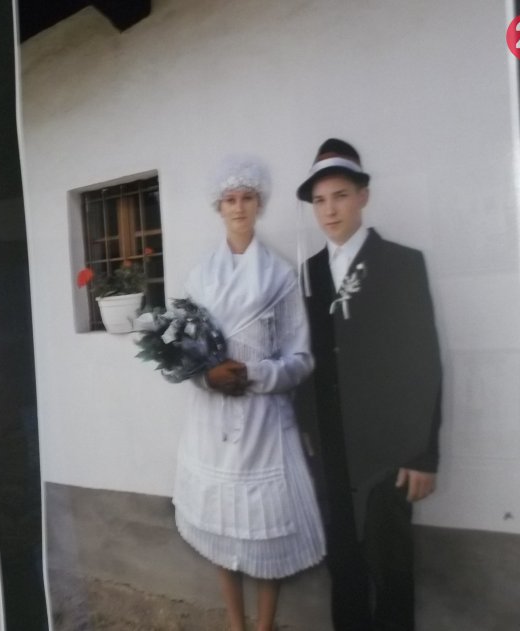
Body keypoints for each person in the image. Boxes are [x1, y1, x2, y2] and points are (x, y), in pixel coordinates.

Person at [172, 156, 325, 631]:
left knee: (263, 532)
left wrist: (251, 374)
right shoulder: (200, 277)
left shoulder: (280, 275)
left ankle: (263, 627)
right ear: (218, 207)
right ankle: (236, 624)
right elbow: (185, 352)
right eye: (230, 200)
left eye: (247, 198)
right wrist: (207, 377)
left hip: (262, 422)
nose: (238, 207)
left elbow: (301, 358)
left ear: (260, 203)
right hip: (212, 420)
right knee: (221, 524)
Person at [297, 138, 443, 631]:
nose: (330, 210)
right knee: (343, 565)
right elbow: (307, 357)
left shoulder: (401, 264)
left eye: (340, 196)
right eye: (320, 200)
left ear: (363, 196)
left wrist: (423, 454)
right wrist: (308, 428)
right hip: (331, 449)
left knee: (390, 565)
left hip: (389, 450)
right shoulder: (309, 273)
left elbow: (423, 361)